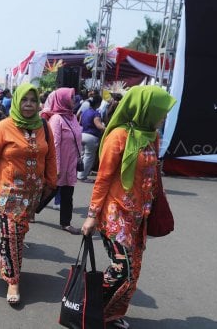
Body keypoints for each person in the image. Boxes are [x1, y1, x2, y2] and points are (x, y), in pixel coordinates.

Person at [81, 86, 175, 328]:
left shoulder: (151, 135)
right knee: (122, 269)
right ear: (145, 109)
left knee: (134, 272)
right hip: (115, 214)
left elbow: (154, 174)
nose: (163, 117)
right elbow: (103, 178)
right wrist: (92, 215)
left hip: (139, 216)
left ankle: (110, 313)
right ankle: (87, 308)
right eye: (160, 111)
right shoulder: (119, 136)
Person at [0, 83, 57, 305]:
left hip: (33, 192)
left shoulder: (43, 127)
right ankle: (13, 279)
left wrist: (51, 182)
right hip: (8, 193)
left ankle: (7, 260)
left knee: (19, 232)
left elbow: (50, 157)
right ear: (16, 101)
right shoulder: (3, 127)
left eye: (33, 100)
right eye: (24, 100)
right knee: (12, 234)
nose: (28, 104)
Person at [41, 88, 82, 234]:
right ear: (62, 99)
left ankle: (66, 223)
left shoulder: (73, 117)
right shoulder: (56, 119)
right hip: (59, 165)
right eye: (71, 98)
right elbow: (55, 145)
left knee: (67, 194)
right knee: (47, 192)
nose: (74, 100)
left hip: (71, 164)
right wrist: (56, 167)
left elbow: (78, 138)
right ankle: (30, 211)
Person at [78, 94, 105, 182]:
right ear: (98, 103)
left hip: (82, 135)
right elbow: (98, 125)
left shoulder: (85, 112)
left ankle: (79, 173)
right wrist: (105, 128)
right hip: (92, 137)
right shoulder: (96, 113)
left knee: (82, 156)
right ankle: (82, 176)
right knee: (89, 157)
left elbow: (80, 122)